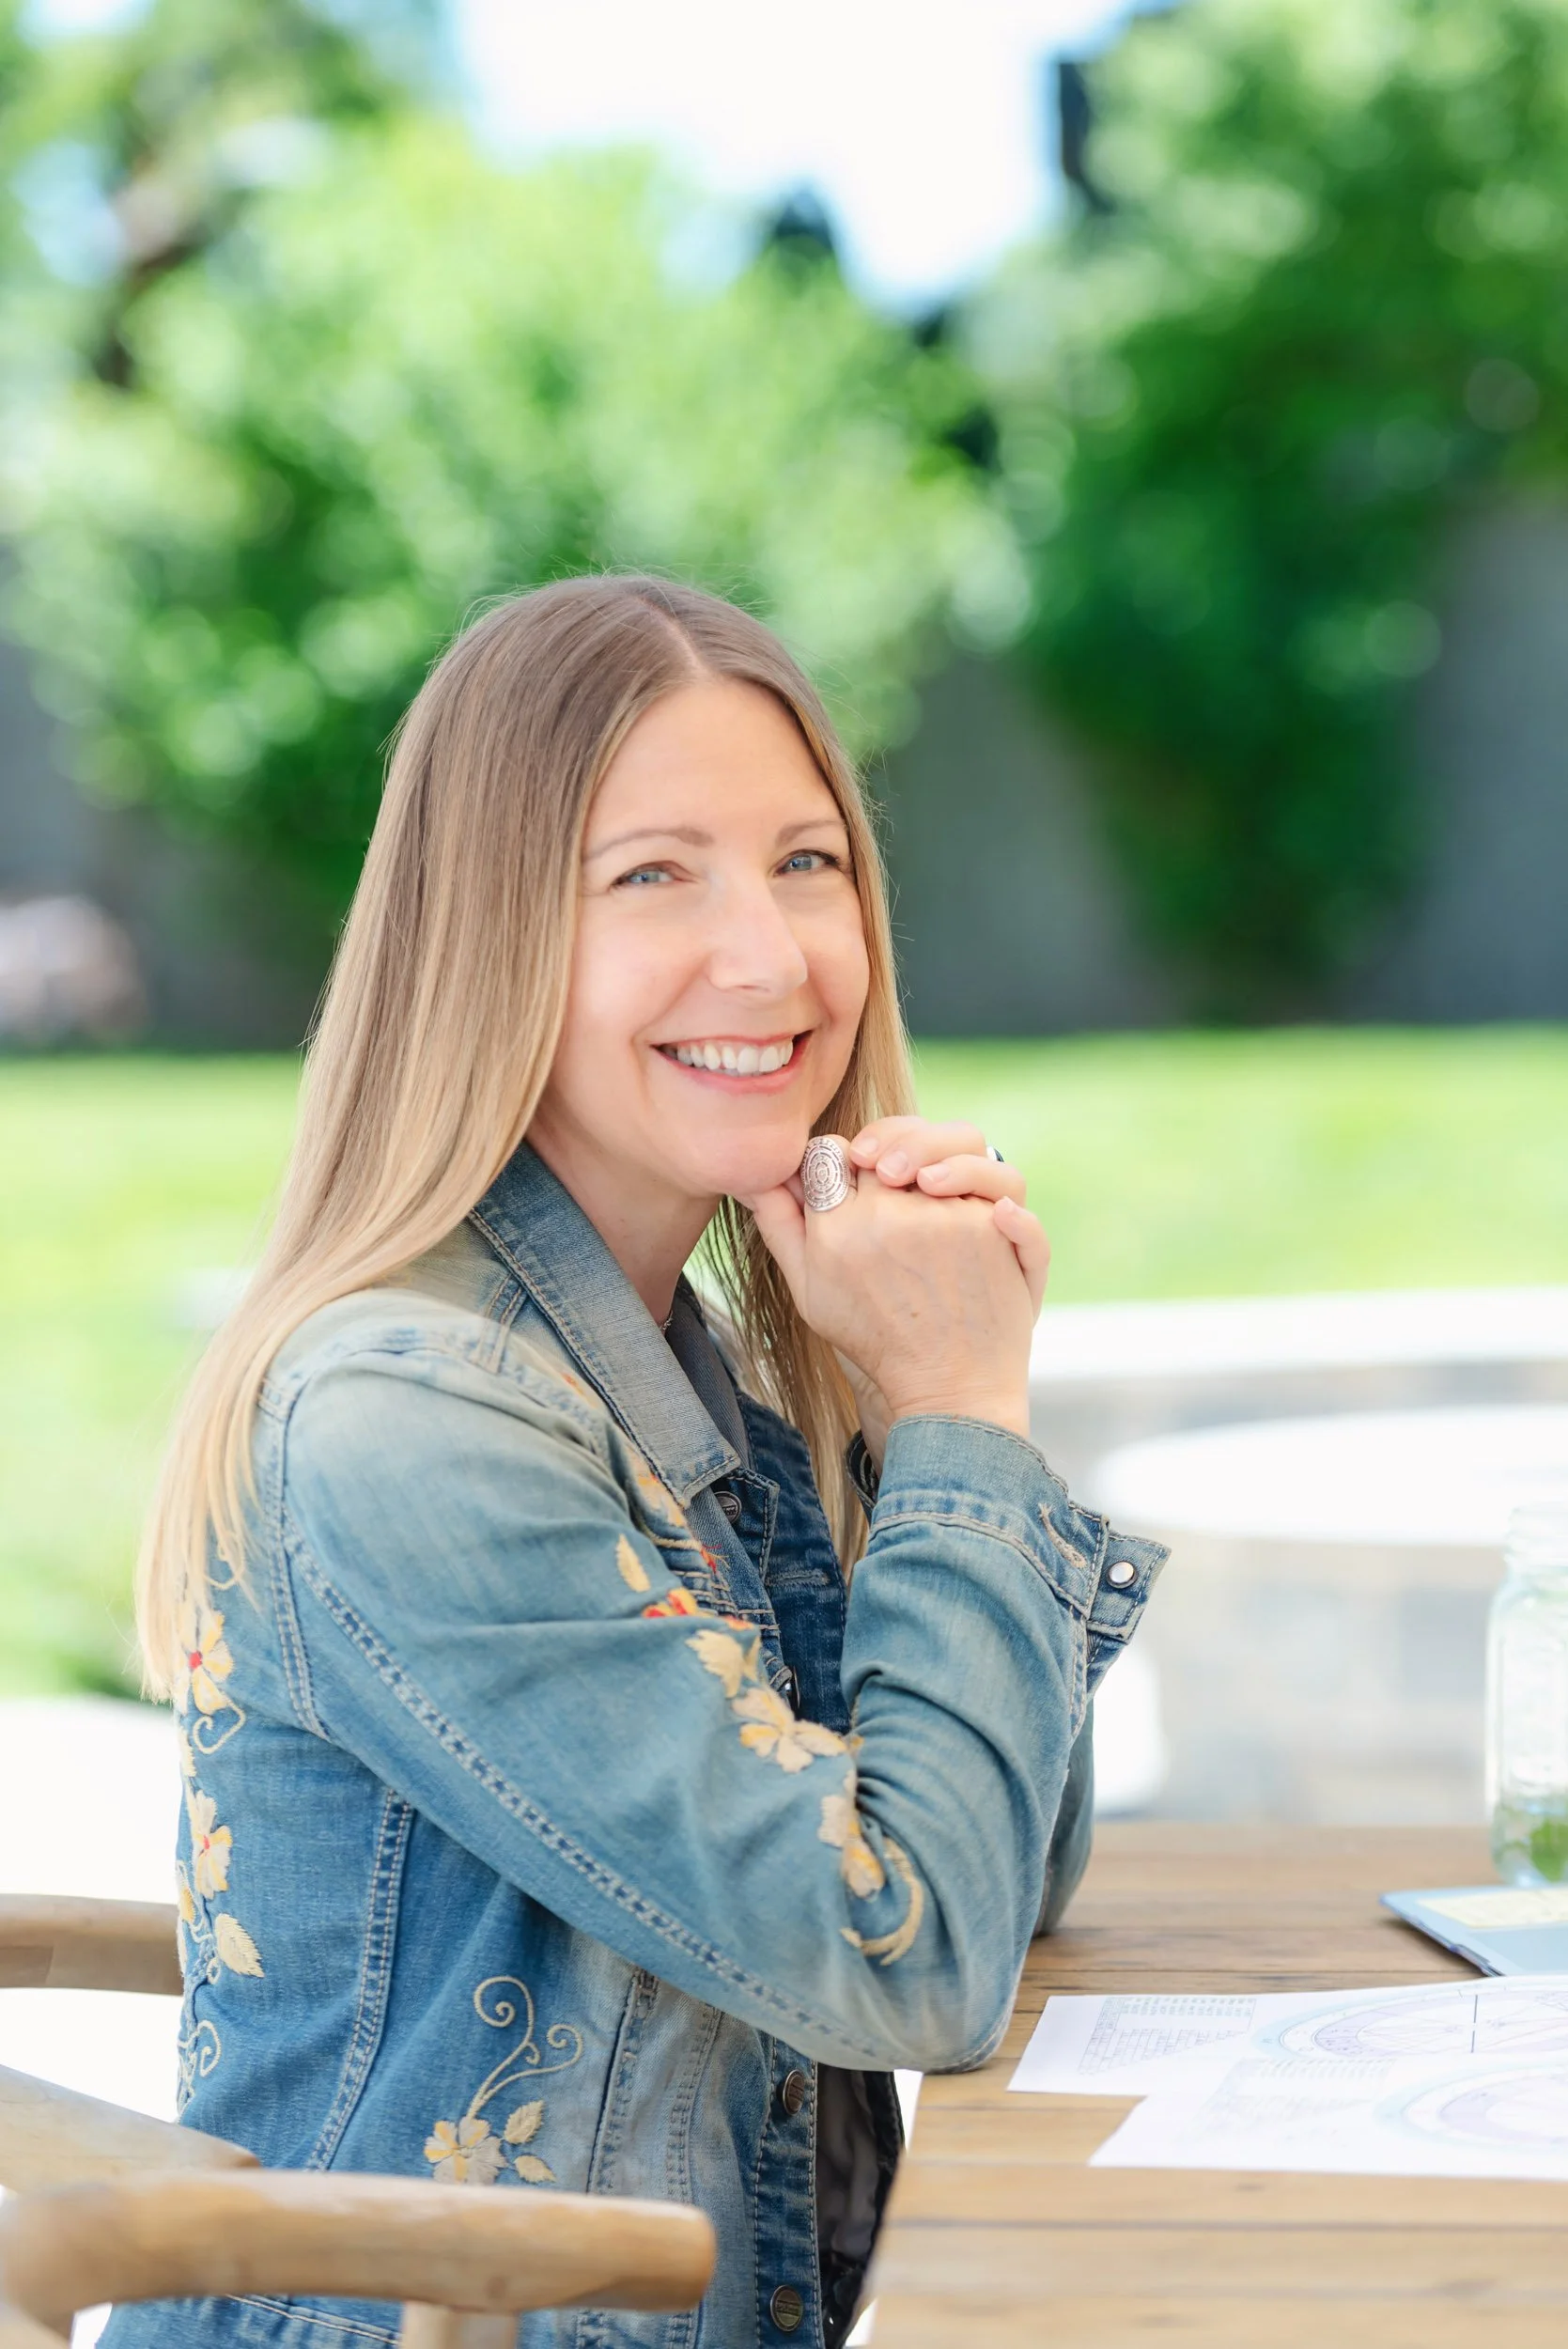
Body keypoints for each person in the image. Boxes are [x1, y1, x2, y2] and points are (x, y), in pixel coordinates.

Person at [113, 575, 1163, 2349]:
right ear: (490, 937)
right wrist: (971, 1423)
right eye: (650, 875)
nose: (766, 955)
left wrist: (919, 1412)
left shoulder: (680, 1365)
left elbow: (1002, 1874)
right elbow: (909, 1954)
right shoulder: (413, 1419)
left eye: (808, 863)